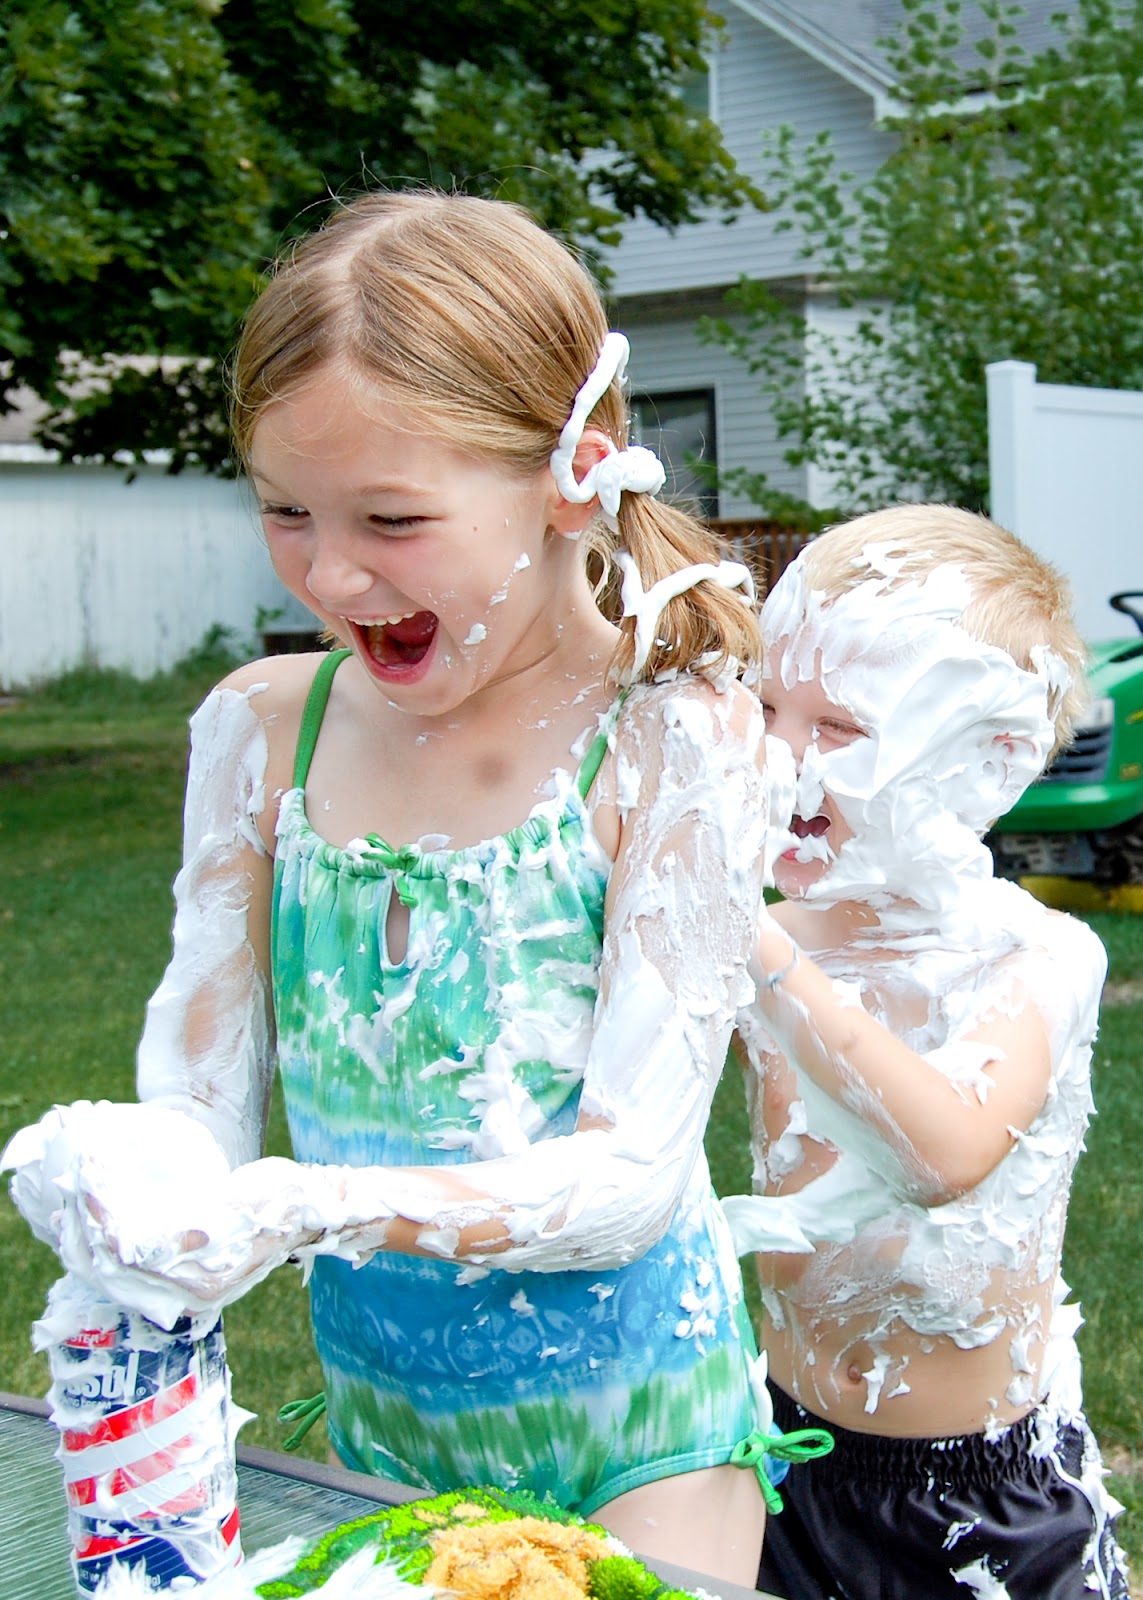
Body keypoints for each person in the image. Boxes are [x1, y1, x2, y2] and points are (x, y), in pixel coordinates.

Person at [90, 190, 789, 1581]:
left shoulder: (670, 737)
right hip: (376, 1425)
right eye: (285, 510)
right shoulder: (258, 731)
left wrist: (300, 1207)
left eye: (392, 518)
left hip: (639, 1434)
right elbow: (198, 1084)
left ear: (570, 476)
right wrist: (142, 1188)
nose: (331, 571)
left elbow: (629, 1183)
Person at [724, 503, 1129, 1598]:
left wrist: (749, 942)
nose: (780, 755)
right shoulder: (777, 939)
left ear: (991, 756)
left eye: (838, 727)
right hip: (783, 1460)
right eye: (768, 708)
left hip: (992, 1498)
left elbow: (943, 1153)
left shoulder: (1042, 958)